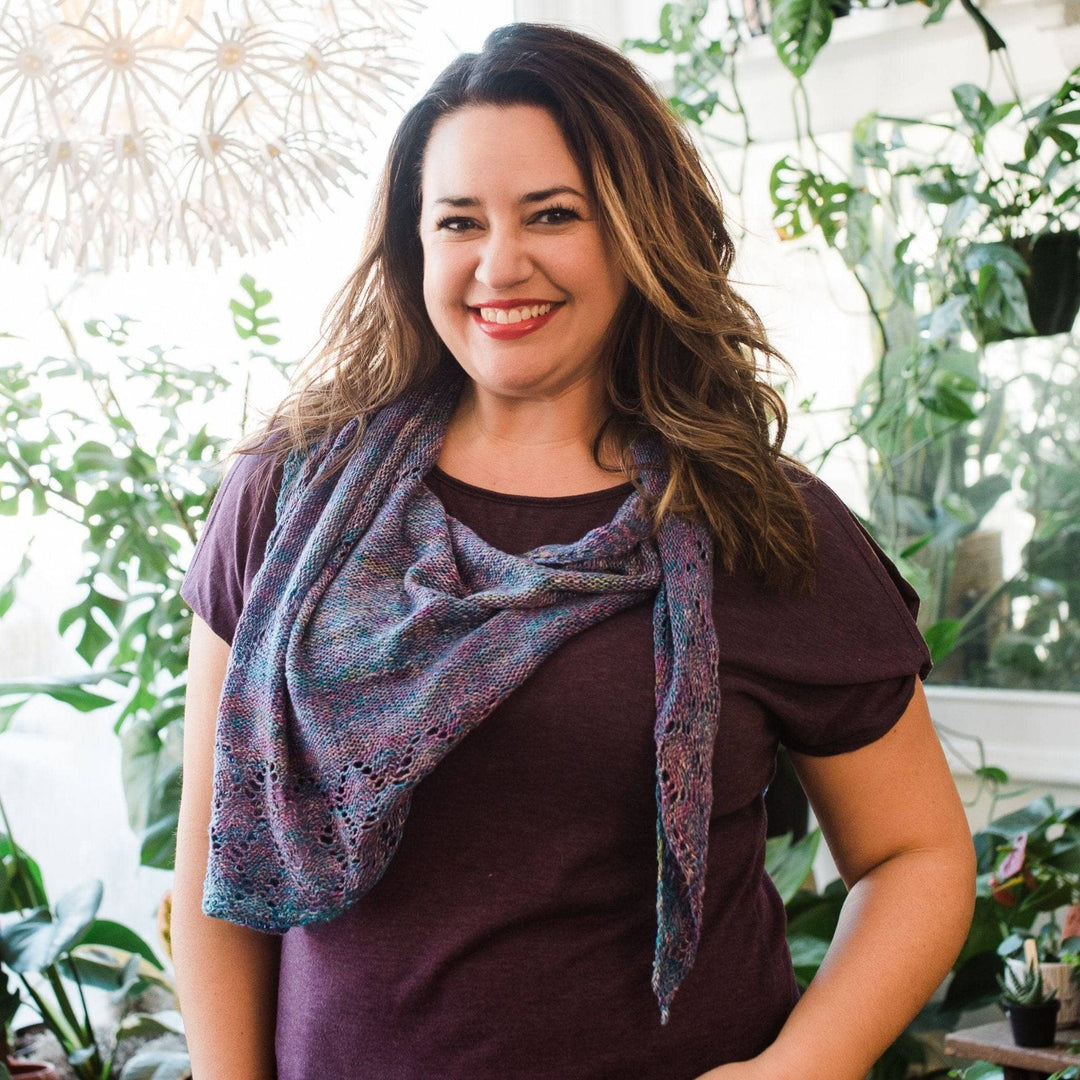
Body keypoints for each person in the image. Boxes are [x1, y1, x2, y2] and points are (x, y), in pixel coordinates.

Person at [171, 21, 976, 1080]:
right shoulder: (287, 499)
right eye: (460, 221)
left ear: (640, 234)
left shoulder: (759, 523)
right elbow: (215, 870)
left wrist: (798, 1069)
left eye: (552, 215)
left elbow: (914, 853)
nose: (501, 265)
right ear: (419, 246)